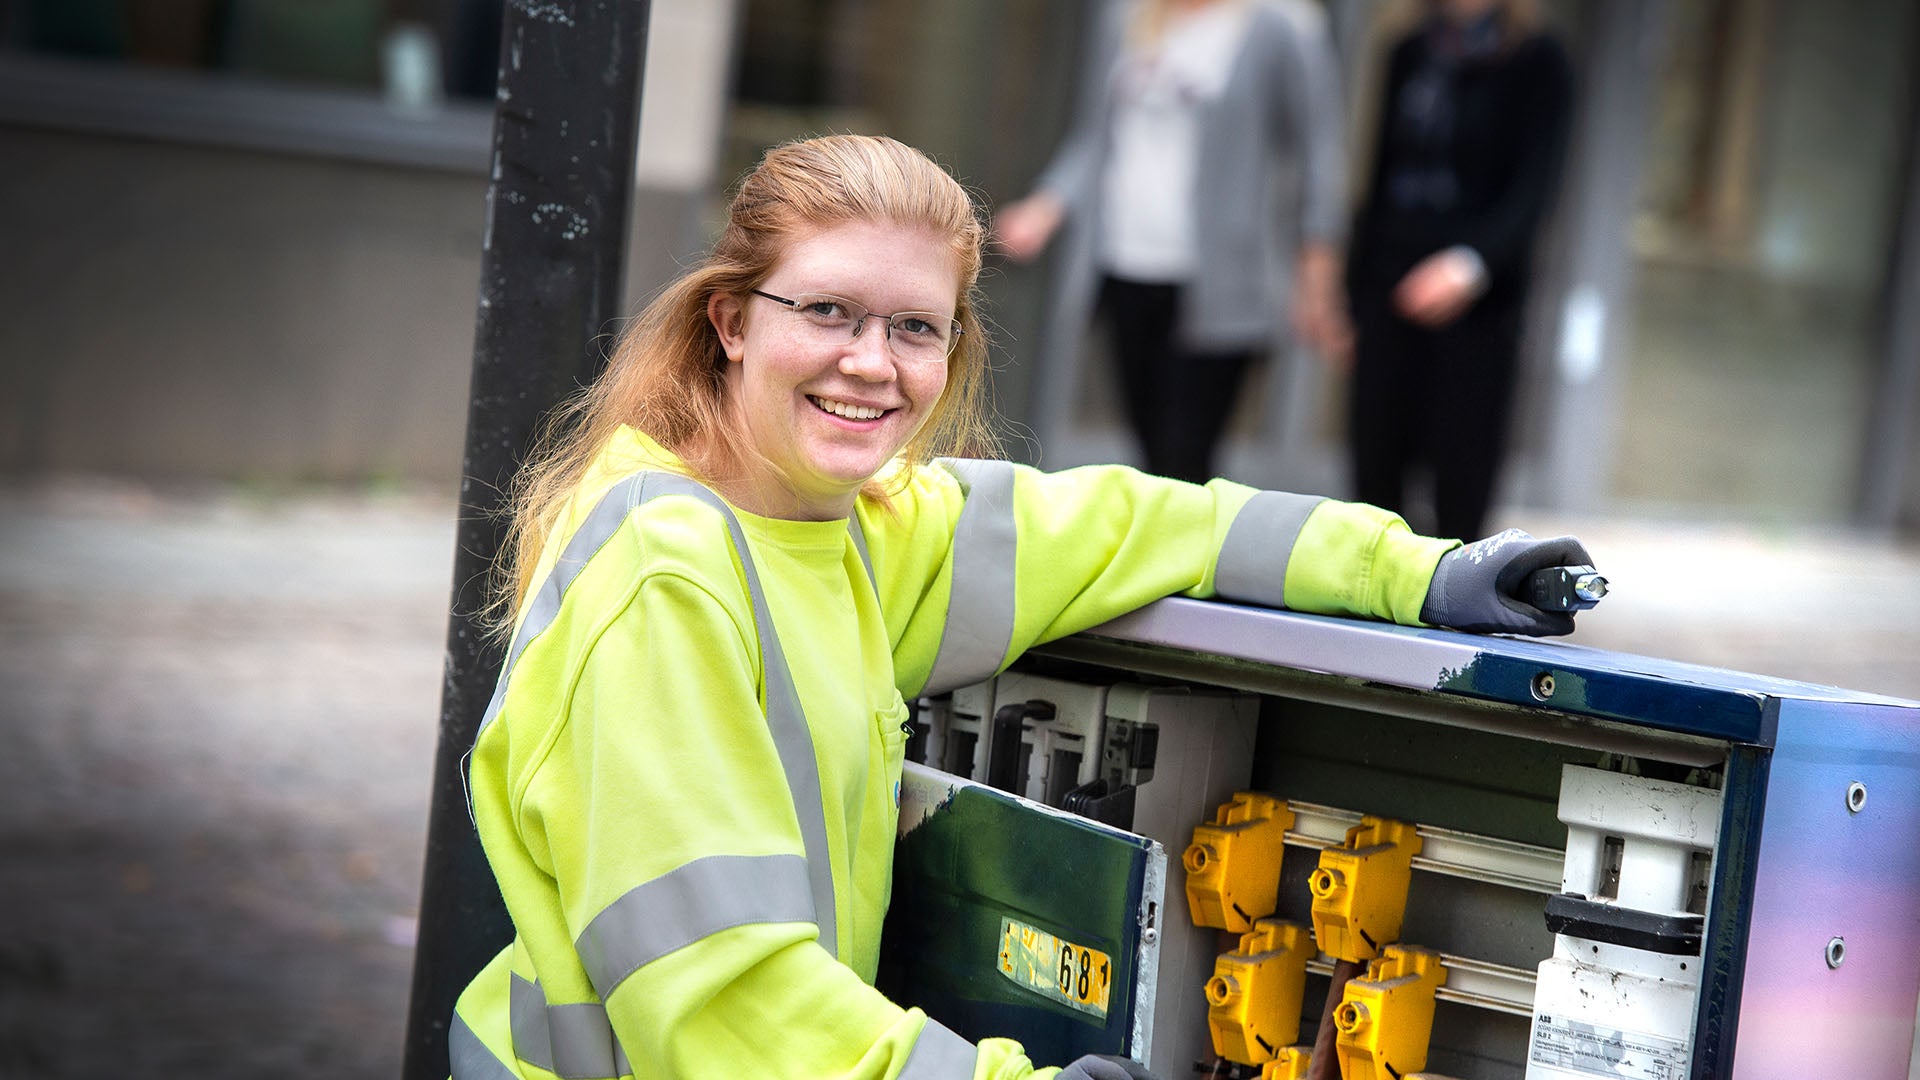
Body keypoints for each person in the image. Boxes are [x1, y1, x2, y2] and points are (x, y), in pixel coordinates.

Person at [448, 133, 1593, 1080]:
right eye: (830, 312)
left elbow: (1153, 525)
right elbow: (718, 995)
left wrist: (1421, 573)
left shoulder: (845, 531)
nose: (871, 364)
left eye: (915, 328)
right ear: (733, 321)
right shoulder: (668, 573)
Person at [995, 0, 1348, 484]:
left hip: (1222, 280)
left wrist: (1318, 275)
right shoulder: (1132, 17)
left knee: (1185, 453)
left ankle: (1195, 558)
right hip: (1126, 262)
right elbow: (1097, 138)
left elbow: (1318, 154)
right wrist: (1047, 205)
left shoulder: (1281, 25)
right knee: (1148, 445)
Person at [1341, 0, 1575, 541]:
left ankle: (1453, 612)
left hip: (1478, 302)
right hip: (1391, 285)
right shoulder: (1409, 51)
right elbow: (1377, 180)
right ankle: (1378, 608)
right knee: (1376, 472)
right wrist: (1353, 296)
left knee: (1461, 476)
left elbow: (1533, 189)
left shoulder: (1539, 60)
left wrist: (1470, 264)